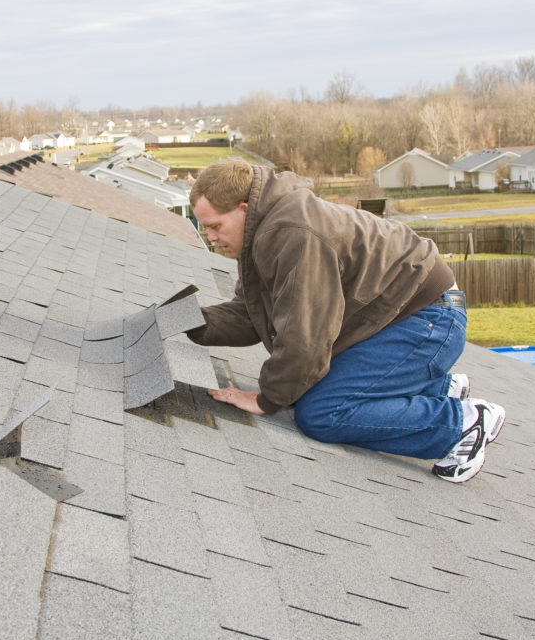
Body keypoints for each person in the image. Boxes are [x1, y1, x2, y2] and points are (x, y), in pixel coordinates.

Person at [186, 159, 505, 483]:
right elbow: (251, 315)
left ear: (242, 209)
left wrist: (265, 399)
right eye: (205, 228)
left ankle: (461, 424)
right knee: (306, 390)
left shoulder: (294, 233)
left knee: (321, 412)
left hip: (429, 318)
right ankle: (437, 387)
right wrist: (192, 322)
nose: (210, 237)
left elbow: (305, 339)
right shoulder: (263, 232)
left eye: (215, 226)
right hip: (401, 315)